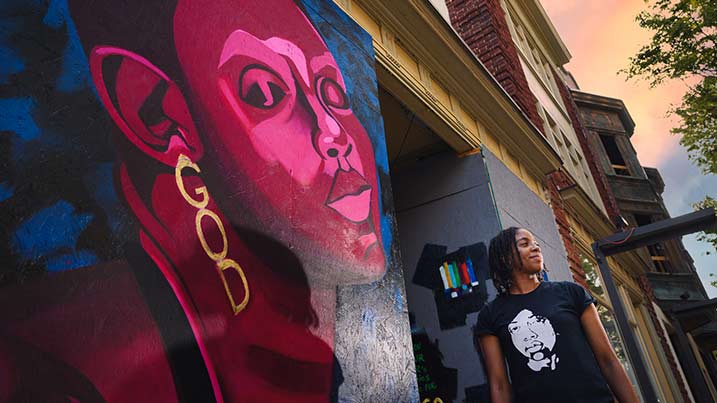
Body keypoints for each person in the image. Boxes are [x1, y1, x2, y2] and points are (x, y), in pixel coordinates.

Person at [0, 1, 387, 402]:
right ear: (156, 114)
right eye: (266, 92)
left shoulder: (319, 357)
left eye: (332, 92)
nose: (333, 133)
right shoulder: (49, 366)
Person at [474, 227, 640, 403]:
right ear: (505, 257)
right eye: (524, 244)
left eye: (536, 244)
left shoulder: (571, 293)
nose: (536, 248)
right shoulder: (490, 315)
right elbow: (499, 384)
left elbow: (608, 360)